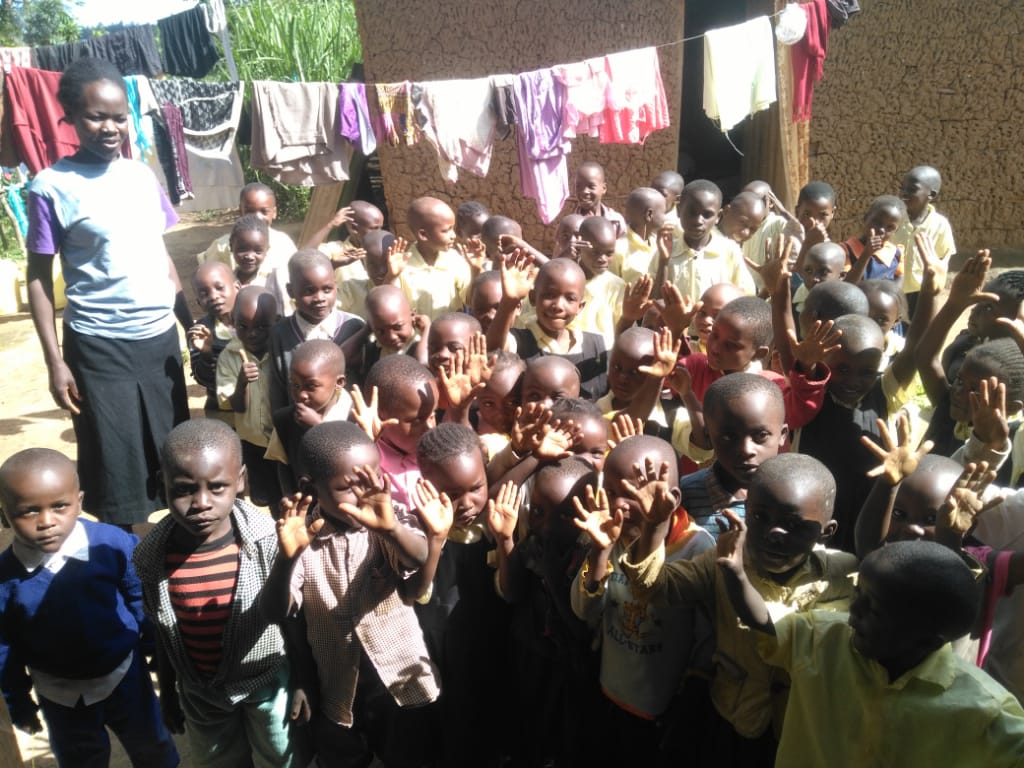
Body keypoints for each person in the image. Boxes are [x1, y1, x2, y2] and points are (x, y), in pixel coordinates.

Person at [26, 56, 190, 526]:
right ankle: (125, 556)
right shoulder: (50, 187)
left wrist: (190, 323)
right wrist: (55, 362)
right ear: (71, 117)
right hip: (98, 347)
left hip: (159, 341)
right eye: (96, 117)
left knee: (177, 456)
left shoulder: (141, 176)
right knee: (116, 470)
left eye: (119, 117)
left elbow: (160, 254)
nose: (110, 128)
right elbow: (38, 277)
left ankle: (177, 555)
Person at [622, 453, 857, 767]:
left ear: (826, 531)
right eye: (760, 517)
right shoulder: (724, 558)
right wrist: (653, 527)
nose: (774, 533)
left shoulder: (842, 575)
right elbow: (651, 588)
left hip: (800, 728)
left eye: (793, 525)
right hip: (734, 716)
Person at [718, 535, 1024, 767]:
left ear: (928, 641)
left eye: (873, 609)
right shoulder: (821, 638)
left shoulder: (984, 710)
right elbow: (765, 625)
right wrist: (737, 576)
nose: (853, 612)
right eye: (858, 594)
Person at [264, 420, 439, 767]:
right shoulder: (300, 538)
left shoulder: (389, 519)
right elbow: (274, 612)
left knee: (407, 753)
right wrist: (286, 561)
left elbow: (419, 556)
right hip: (337, 685)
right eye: (347, 487)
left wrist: (390, 529)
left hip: (398, 678)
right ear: (309, 487)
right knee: (344, 756)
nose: (365, 495)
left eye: (374, 478)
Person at [0, 448, 178, 768]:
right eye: (29, 511)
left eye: (59, 506)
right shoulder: (5, 578)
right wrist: (18, 702)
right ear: (5, 515)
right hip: (60, 696)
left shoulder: (111, 544)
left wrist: (156, 648)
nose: (46, 522)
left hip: (125, 675)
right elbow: (4, 647)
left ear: (79, 501)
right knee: (81, 759)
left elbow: (140, 597)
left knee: (152, 747)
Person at [133, 419, 296, 767]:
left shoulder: (267, 540)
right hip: (200, 690)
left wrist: (303, 682)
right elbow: (163, 630)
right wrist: (168, 692)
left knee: (279, 757)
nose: (201, 503)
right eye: (184, 490)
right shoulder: (152, 557)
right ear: (162, 484)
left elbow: (291, 620)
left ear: (241, 480)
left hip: (266, 680)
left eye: (218, 487)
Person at [571, 435, 714, 765]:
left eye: (634, 493)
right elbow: (583, 611)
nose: (620, 505)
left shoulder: (697, 548)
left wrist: (689, 700)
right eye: (611, 493)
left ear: (672, 498)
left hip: (664, 706)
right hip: (610, 689)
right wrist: (599, 552)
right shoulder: (610, 536)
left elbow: (706, 640)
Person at [490, 458, 604, 767]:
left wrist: (553, 579)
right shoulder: (532, 543)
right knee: (529, 730)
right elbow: (511, 594)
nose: (548, 526)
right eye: (539, 512)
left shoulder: (591, 556)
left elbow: (581, 630)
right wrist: (506, 541)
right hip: (528, 653)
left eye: (566, 515)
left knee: (565, 736)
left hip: (567, 667)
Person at [412, 423, 510, 767]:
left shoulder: (496, 523)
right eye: (452, 494)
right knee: (455, 721)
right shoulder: (418, 532)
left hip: (492, 644)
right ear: (426, 487)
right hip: (445, 653)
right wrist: (436, 539)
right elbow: (416, 592)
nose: (467, 504)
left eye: (476, 488)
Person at [679, 374, 788, 541]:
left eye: (761, 435)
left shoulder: (799, 494)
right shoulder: (683, 498)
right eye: (728, 437)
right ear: (709, 436)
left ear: (782, 435)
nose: (746, 450)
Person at [486, 255, 608, 400]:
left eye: (570, 298)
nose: (558, 306)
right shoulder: (518, 342)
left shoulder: (596, 347)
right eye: (549, 295)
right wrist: (509, 302)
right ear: (533, 298)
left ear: (580, 307)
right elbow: (494, 351)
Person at [267, 249, 366, 412]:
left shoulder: (354, 327)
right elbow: (278, 394)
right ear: (290, 291)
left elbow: (364, 383)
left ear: (336, 286)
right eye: (309, 291)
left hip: (350, 423)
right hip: (297, 423)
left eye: (327, 289)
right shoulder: (280, 334)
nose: (320, 298)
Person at [216, 286, 280, 508]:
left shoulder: (283, 352)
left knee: (286, 495)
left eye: (262, 326)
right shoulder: (229, 356)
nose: (252, 333)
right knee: (263, 497)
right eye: (243, 326)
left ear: (276, 321)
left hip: (281, 441)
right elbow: (237, 407)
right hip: (252, 442)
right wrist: (242, 382)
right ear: (232, 322)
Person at [265, 339, 351, 497]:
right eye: (295, 385)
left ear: (339, 382)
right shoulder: (285, 420)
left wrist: (318, 429)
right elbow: (283, 463)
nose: (301, 394)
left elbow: (353, 465)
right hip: (303, 505)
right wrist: (288, 496)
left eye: (311, 386)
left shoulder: (356, 418)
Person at [355, 354, 439, 510]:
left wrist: (459, 410)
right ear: (380, 416)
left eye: (433, 415)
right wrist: (367, 444)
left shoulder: (437, 446)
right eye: (416, 421)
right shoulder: (358, 453)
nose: (430, 428)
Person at [202, 183, 297, 317]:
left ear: (274, 212)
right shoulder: (221, 246)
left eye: (264, 211)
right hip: (236, 315)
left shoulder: (283, 243)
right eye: (250, 211)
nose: (257, 217)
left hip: (278, 313)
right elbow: (209, 279)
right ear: (240, 211)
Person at [656, 179, 755, 302]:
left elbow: (745, 299)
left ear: (718, 217)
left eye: (707, 215)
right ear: (679, 210)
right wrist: (664, 261)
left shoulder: (729, 252)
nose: (698, 221)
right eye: (692, 212)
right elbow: (653, 303)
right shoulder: (665, 249)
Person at [892, 165, 957, 316]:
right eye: (902, 188)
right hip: (893, 288)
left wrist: (935, 286)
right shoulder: (894, 218)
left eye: (912, 189)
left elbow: (943, 259)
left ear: (931, 195)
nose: (904, 193)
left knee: (918, 326)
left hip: (922, 291)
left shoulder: (940, 225)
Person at [396, 196, 473, 318]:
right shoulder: (402, 266)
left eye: (453, 228)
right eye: (446, 231)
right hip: (417, 331)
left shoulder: (454, 260)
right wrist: (391, 276)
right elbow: (390, 301)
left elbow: (470, 300)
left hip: (451, 329)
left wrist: (475, 270)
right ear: (423, 234)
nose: (453, 235)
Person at [188, 261, 238, 419]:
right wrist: (206, 353)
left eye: (219, 287)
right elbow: (202, 378)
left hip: (258, 409)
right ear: (198, 303)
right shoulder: (201, 331)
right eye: (204, 294)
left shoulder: (255, 322)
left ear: (237, 287)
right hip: (222, 411)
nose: (213, 296)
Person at [356, 284, 429, 382]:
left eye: (397, 327)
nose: (391, 337)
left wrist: (427, 328)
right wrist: (367, 329)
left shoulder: (421, 346)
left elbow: (422, 363)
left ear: (412, 315)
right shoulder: (374, 350)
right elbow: (342, 359)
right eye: (381, 331)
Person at [576, 215, 629, 349]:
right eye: (595, 252)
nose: (603, 259)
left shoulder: (617, 286)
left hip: (604, 356)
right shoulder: (565, 281)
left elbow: (622, 329)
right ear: (579, 245)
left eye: (609, 253)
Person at [841, 195, 908, 284]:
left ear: (896, 231)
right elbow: (847, 285)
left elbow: (898, 281)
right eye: (877, 222)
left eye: (890, 227)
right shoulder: (845, 250)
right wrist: (866, 254)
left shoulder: (895, 253)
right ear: (865, 218)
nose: (882, 230)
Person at [609, 186, 667, 285]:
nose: (665, 217)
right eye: (663, 212)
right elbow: (611, 287)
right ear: (649, 215)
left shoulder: (659, 243)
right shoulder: (619, 250)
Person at [572, 160, 626, 237]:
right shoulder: (571, 223)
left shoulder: (616, 221)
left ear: (603, 188)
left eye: (591, 187)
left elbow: (624, 244)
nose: (584, 191)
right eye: (578, 186)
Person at [228, 214, 271, 288]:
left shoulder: (272, 281)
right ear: (231, 246)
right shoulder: (226, 282)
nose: (250, 257)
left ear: (267, 250)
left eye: (258, 251)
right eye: (242, 250)